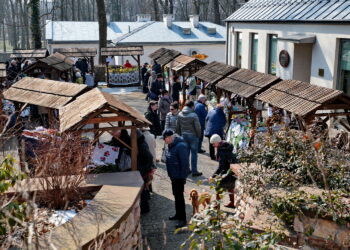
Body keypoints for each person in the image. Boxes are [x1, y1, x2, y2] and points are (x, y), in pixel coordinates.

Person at [163, 129, 189, 228]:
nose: (164, 141)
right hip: (173, 176)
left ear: (169, 138)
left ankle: (183, 219)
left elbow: (185, 163)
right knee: (176, 196)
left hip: (179, 177)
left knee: (180, 198)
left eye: (165, 139)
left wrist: (183, 177)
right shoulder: (171, 145)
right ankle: (178, 214)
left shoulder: (181, 146)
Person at [210, 134, 237, 208]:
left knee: (219, 187)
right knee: (230, 187)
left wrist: (214, 176)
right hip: (232, 170)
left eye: (213, 144)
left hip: (226, 171)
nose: (213, 145)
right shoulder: (226, 146)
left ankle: (217, 205)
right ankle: (232, 202)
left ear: (217, 142)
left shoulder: (222, 151)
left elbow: (221, 166)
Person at [176, 100, 202, 177]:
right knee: (194, 154)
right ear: (191, 106)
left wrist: (179, 134)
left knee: (186, 154)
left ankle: (186, 169)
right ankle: (194, 171)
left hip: (184, 136)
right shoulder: (194, 115)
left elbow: (178, 126)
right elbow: (198, 127)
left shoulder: (180, 114)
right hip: (193, 136)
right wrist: (199, 135)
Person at [137, 130, 155, 214]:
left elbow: (149, 157)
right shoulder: (142, 142)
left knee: (143, 189)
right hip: (144, 169)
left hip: (143, 169)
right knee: (145, 188)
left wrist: (145, 168)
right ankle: (145, 206)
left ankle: (145, 208)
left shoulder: (141, 145)